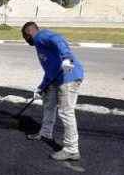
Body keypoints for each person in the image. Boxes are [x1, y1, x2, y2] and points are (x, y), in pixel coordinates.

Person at [21, 22, 85, 161]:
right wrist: (41, 87)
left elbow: (58, 38)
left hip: (69, 77)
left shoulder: (41, 36)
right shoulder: (40, 45)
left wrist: (66, 57)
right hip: (57, 78)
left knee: (66, 112)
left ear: (28, 34)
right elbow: (50, 70)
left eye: (25, 38)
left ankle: (72, 149)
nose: (27, 41)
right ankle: (45, 133)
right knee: (48, 104)